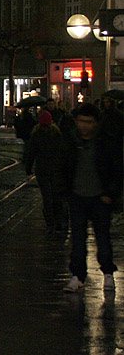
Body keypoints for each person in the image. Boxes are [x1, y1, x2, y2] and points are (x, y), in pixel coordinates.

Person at [61, 103, 123, 292]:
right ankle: (77, 275)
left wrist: (109, 194)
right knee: (78, 240)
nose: (84, 126)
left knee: (102, 238)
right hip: (78, 196)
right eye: (81, 121)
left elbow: (117, 169)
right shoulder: (71, 142)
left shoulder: (105, 142)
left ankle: (108, 274)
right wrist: (66, 192)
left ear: (96, 123)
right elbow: (63, 167)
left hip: (99, 198)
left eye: (88, 122)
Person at [24, 110, 67, 234]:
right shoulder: (57, 134)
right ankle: (58, 221)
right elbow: (62, 152)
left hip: (43, 169)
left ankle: (50, 223)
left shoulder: (36, 134)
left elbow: (31, 153)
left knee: (47, 197)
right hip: (55, 169)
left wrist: (28, 167)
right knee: (56, 196)